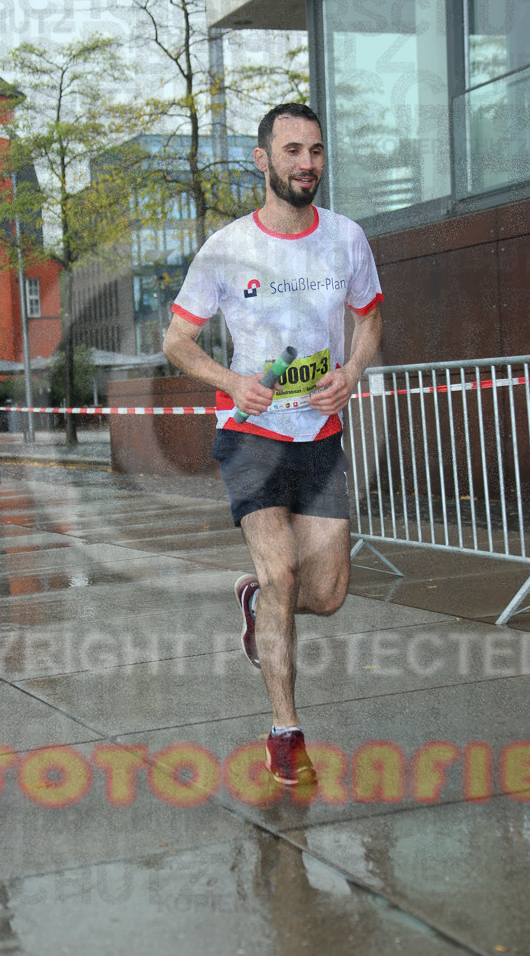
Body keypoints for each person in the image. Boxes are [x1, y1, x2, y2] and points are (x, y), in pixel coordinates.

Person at [163, 103, 383, 787]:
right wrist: (233, 382)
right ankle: (285, 731)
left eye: (314, 151)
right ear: (261, 160)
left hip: (319, 436)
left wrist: (350, 371)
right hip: (250, 435)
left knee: (326, 593)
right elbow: (175, 342)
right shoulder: (227, 248)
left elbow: (369, 318)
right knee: (281, 571)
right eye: (290, 151)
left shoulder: (345, 238)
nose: (305, 164)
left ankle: (256, 605)